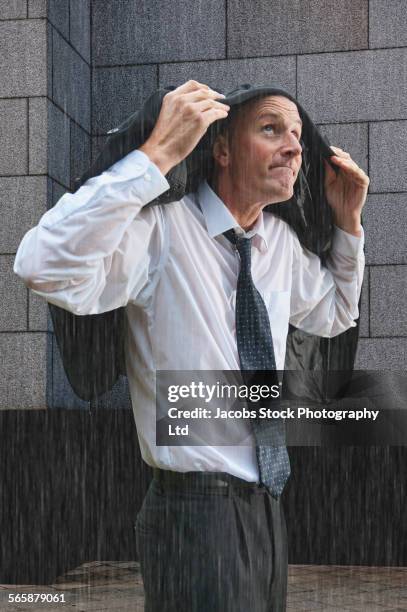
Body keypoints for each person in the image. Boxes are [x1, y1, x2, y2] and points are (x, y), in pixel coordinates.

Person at [14, 80, 368, 611]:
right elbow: (41, 266)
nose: (295, 147)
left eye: (297, 134)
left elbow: (335, 312)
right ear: (220, 148)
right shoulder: (158, 230)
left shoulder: (280, 245)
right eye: (272, 129)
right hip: (194, 513)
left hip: (267, 506)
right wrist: (154, 156)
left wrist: (348, 225)